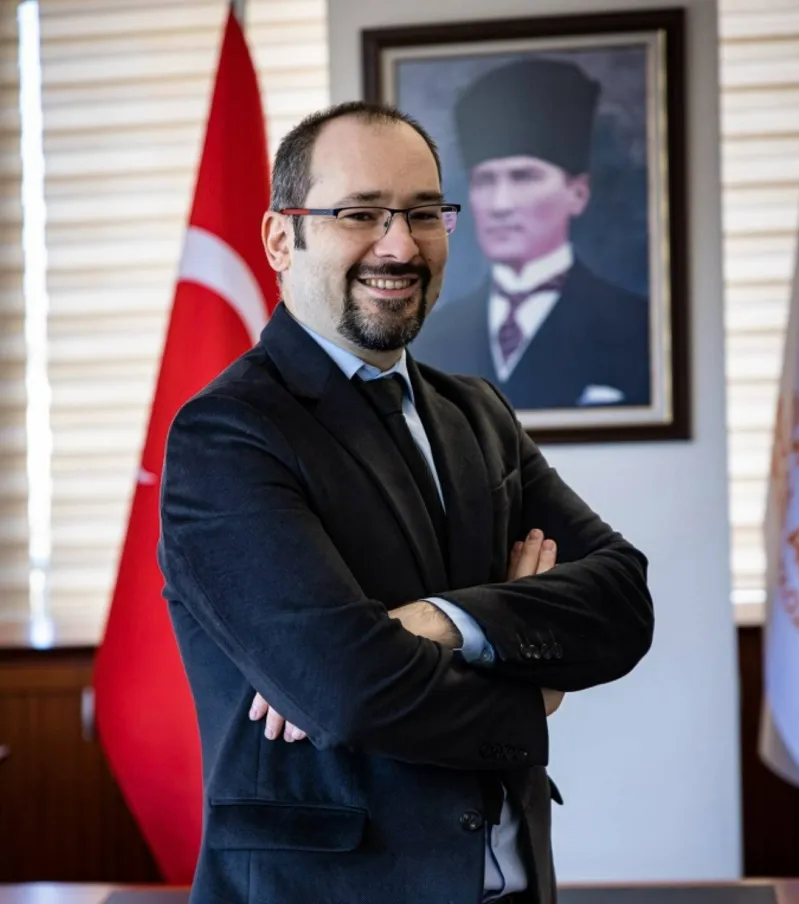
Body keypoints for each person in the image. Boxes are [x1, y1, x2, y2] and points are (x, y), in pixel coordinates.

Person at [158, 100, 654, 904]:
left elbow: (622, 600)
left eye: (423, 213)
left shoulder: (477, 413)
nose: (399, 245)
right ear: (281, 238)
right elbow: (349, 691)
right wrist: (534, 686)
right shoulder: (227, 434)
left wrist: (436, 620)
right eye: (360, 213)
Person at [410, 57, 652, 411]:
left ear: (577, 193)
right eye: (484, 181)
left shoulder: (636, 327)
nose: (500, 204)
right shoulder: (431, 337)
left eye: (523, 177)